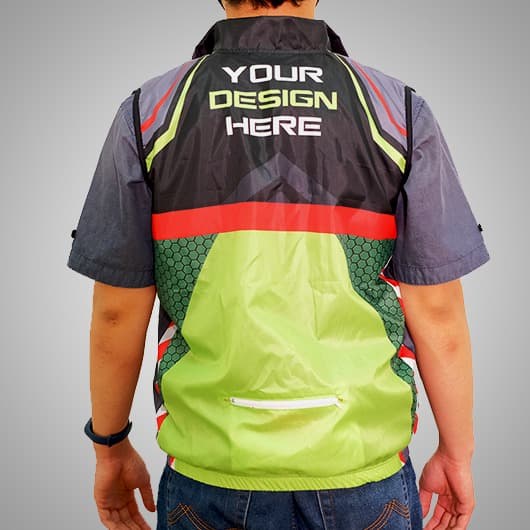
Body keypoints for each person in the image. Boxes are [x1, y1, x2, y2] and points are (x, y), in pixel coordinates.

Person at [67, 0, 490, 528]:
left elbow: (116, 313)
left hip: (209, 475)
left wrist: (109, 447)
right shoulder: (396, 110)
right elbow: (439, 312)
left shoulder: (150, 112)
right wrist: (457, 453)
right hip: (364, 474)